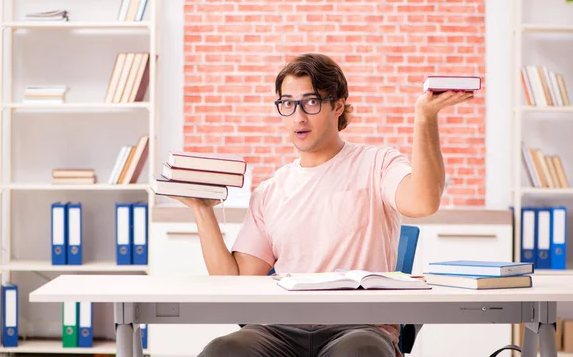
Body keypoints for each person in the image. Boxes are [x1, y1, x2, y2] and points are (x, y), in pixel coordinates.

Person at [171, 53, 474, 357]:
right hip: (279, 329)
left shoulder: (377, 163)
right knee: (223, 351)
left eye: (311, 102)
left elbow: (423, 201)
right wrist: (202, 209)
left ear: (338, 105)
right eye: (288, 103)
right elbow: (235, 282)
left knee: (361, 352)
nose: (298, 116)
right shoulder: (271, 191)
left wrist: (425, 118)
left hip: (358, 328)